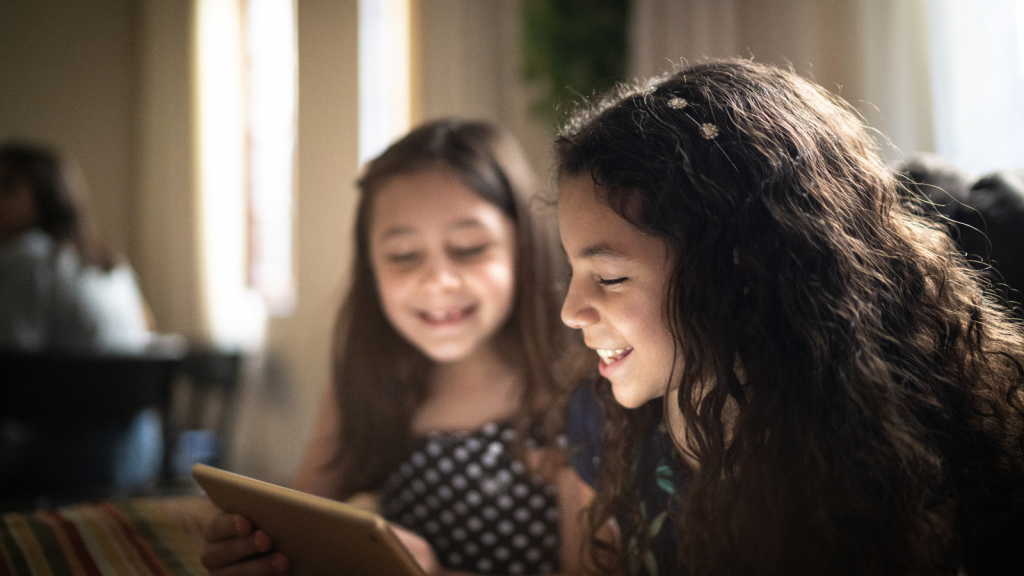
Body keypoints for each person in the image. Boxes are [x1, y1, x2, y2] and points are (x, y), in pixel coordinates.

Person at [555, 59, 1024, 575]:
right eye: (573, 270)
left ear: (736, 267)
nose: (571, 313)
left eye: (610, 278)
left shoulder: (898, 448)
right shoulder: (608, 415)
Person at [201, 119, 592, 576]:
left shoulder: (575, 389)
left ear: (522, 247)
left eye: (468, 247)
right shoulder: (367, 378)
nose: (438, 280)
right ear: (371, 268)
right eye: (404, 255)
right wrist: (258, 545)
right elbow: (303, 515)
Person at [0, 141, 151, 353]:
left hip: (69, 386)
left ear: (45, 192)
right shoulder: (112, 261)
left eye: (7, 185)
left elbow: (12, 366)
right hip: (127, 386)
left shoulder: (26, 258)